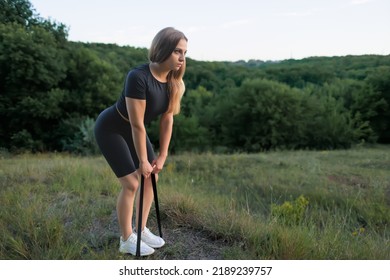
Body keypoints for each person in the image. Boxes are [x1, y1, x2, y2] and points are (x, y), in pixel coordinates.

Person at [94, 27, 188, 256]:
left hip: (136, 130)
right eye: (177, 51)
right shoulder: (138, 77)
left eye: (185, 52)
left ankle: (142, 228)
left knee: (151, 177)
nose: (182, 58)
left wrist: (162, 156)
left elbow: (167, 120)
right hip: (112, 128)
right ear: (163, 49)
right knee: (132, 183)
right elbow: (136, 124)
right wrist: (143, 160)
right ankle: (126, 238)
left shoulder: (175, 82)